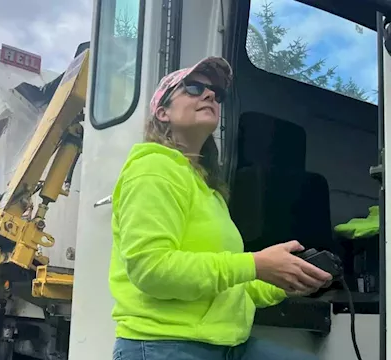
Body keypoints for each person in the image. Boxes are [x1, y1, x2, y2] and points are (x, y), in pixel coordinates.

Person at [108, 56, 333, 360]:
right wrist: (255, 263)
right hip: (165, 344)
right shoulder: (153, 169)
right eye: (193, 87)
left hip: (226, 346)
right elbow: (152, 270)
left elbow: (231, 288)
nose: (211, 95)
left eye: (216, 93)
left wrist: (286, 279)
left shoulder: (208, 189)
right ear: (162, 112)